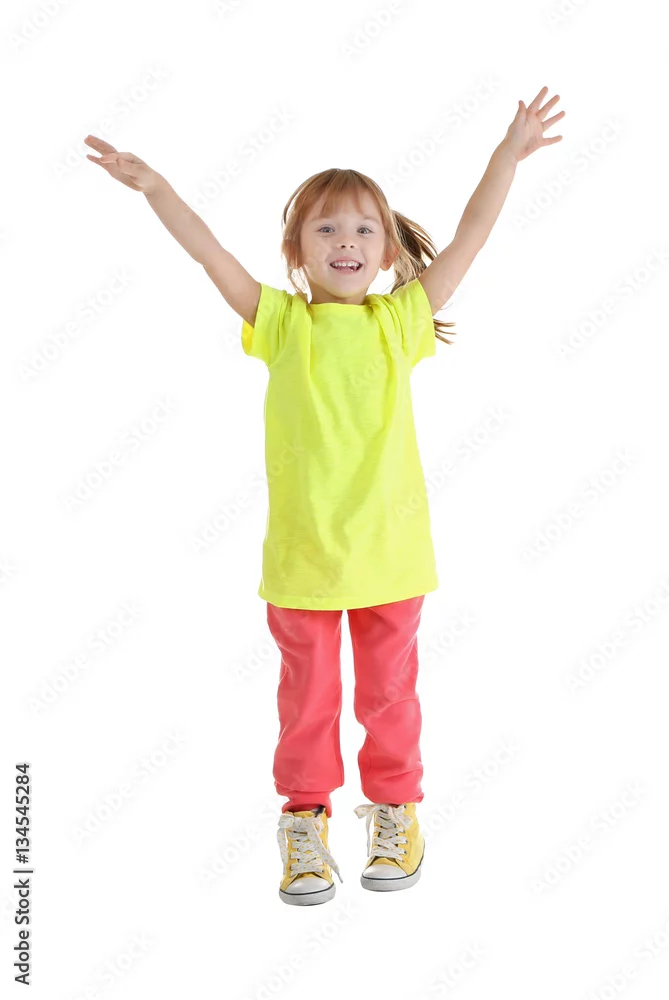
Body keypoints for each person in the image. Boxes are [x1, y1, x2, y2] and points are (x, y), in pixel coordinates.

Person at [85, 86, 565, 907]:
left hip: (390, 558)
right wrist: (156, 187)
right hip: (302, 559)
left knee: (387, 698)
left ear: (386, 253)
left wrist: (506, 154)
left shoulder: (399, 321)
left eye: (364, 229)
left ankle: (395, 813)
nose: (346, 240)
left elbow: (473, 233)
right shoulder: (280, 325)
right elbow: (208, 254)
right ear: (295, 251)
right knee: (306, 703)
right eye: (326, 228)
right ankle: (304, 823)